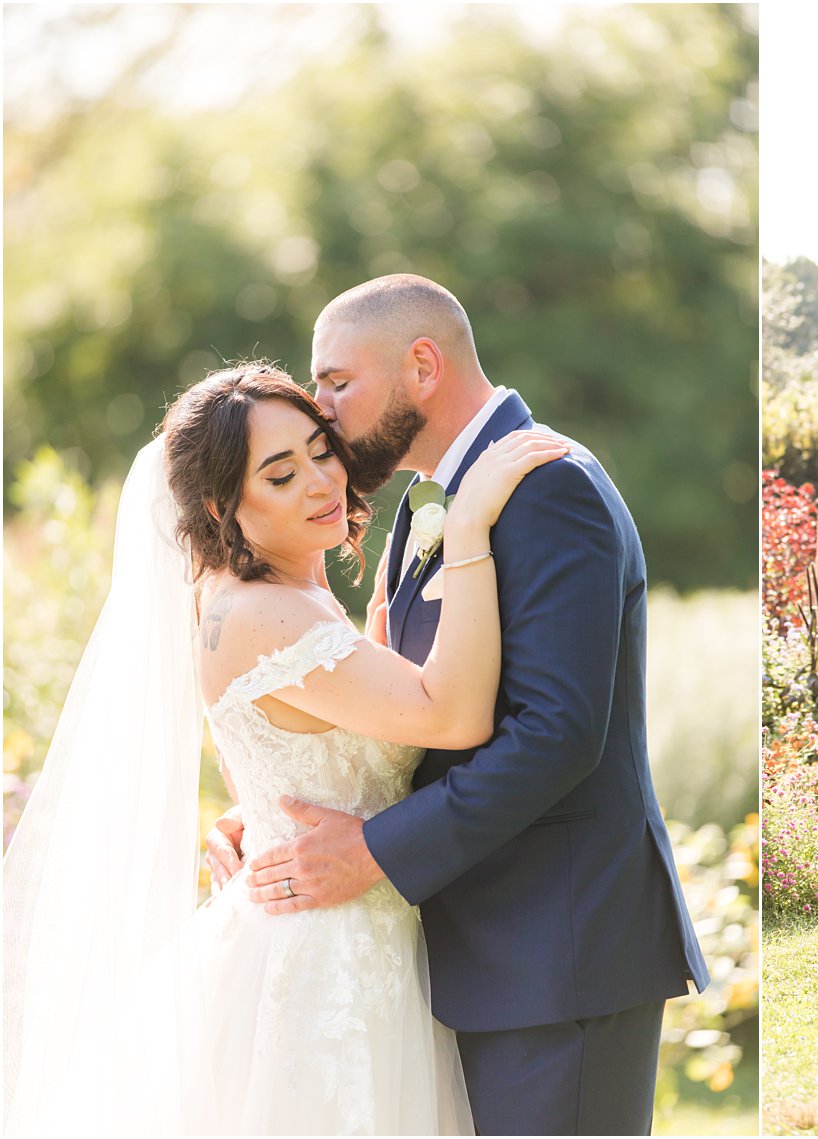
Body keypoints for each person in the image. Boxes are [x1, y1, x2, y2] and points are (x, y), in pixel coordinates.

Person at [205, 274, 709, 1135]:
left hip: (557, 954)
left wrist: (372, 849)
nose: (321, 410)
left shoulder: (550, 486)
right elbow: (397, 712)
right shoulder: (425, 507)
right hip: (466, 956)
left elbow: (556, 734)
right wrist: (274, 810)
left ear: (423, 366)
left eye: (336, 383)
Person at [4, 361, 566, 1133]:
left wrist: (251, 811)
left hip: (350, 933)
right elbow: (454, 715)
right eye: (279, 474)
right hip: (323, 962)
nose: (320, 481)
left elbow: (306, 738)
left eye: (318, 450)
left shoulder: (281, 593)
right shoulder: (265, 613)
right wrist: (466, 525)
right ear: (220, 506)